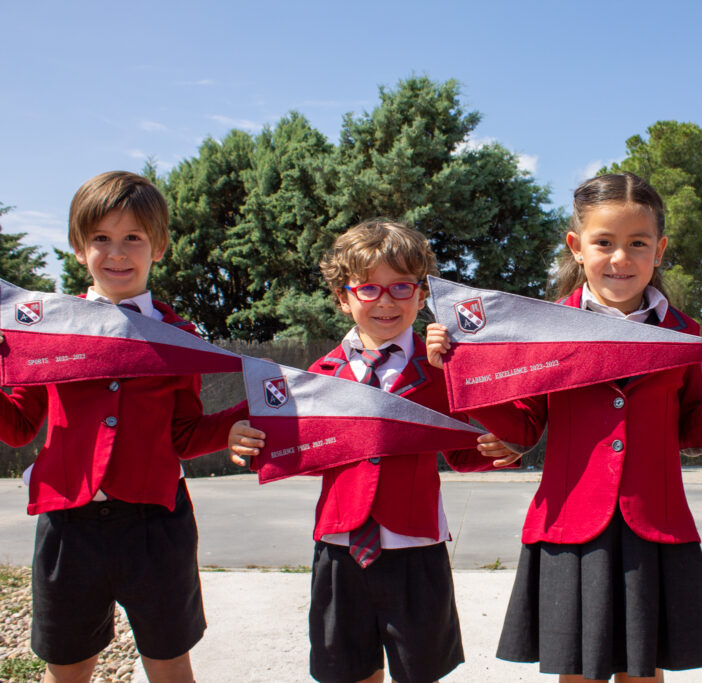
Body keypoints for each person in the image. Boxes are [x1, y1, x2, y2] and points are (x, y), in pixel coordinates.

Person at [426, 172, 702, 682]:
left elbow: (694, 435)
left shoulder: (685, 335)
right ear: (577, 247)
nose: (620, 258)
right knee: (577, 671)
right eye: (603, 242)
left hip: (655, 524)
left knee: (642, 669)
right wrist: (458, 370)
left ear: (661, 249)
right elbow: (522, 428)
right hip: (569, 526)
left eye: (638, 244)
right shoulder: (540, 329)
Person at [228, 219, 508, 683]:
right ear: (343, 297)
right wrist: (246, 442)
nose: (386, 301)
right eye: (368, 289)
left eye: (401, 287)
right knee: (347, 674)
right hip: (339, 549)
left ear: (421, 296)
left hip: (415, 548)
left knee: (420, 673)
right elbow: (283, 445)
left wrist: (505, 444)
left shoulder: (442, 369)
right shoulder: (317, 376)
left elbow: (468, 449)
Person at [0, 171, 247, 683]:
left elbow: (183, 434)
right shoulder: (43, 330)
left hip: (157, 525)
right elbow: (20, 427)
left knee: (169, 662)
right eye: (101, 239)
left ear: (158, 246)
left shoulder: (179, 338)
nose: (117, 253)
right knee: (66, 668)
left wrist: (230, 428)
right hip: (69, 524)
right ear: (77, 248)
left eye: (133, 237)